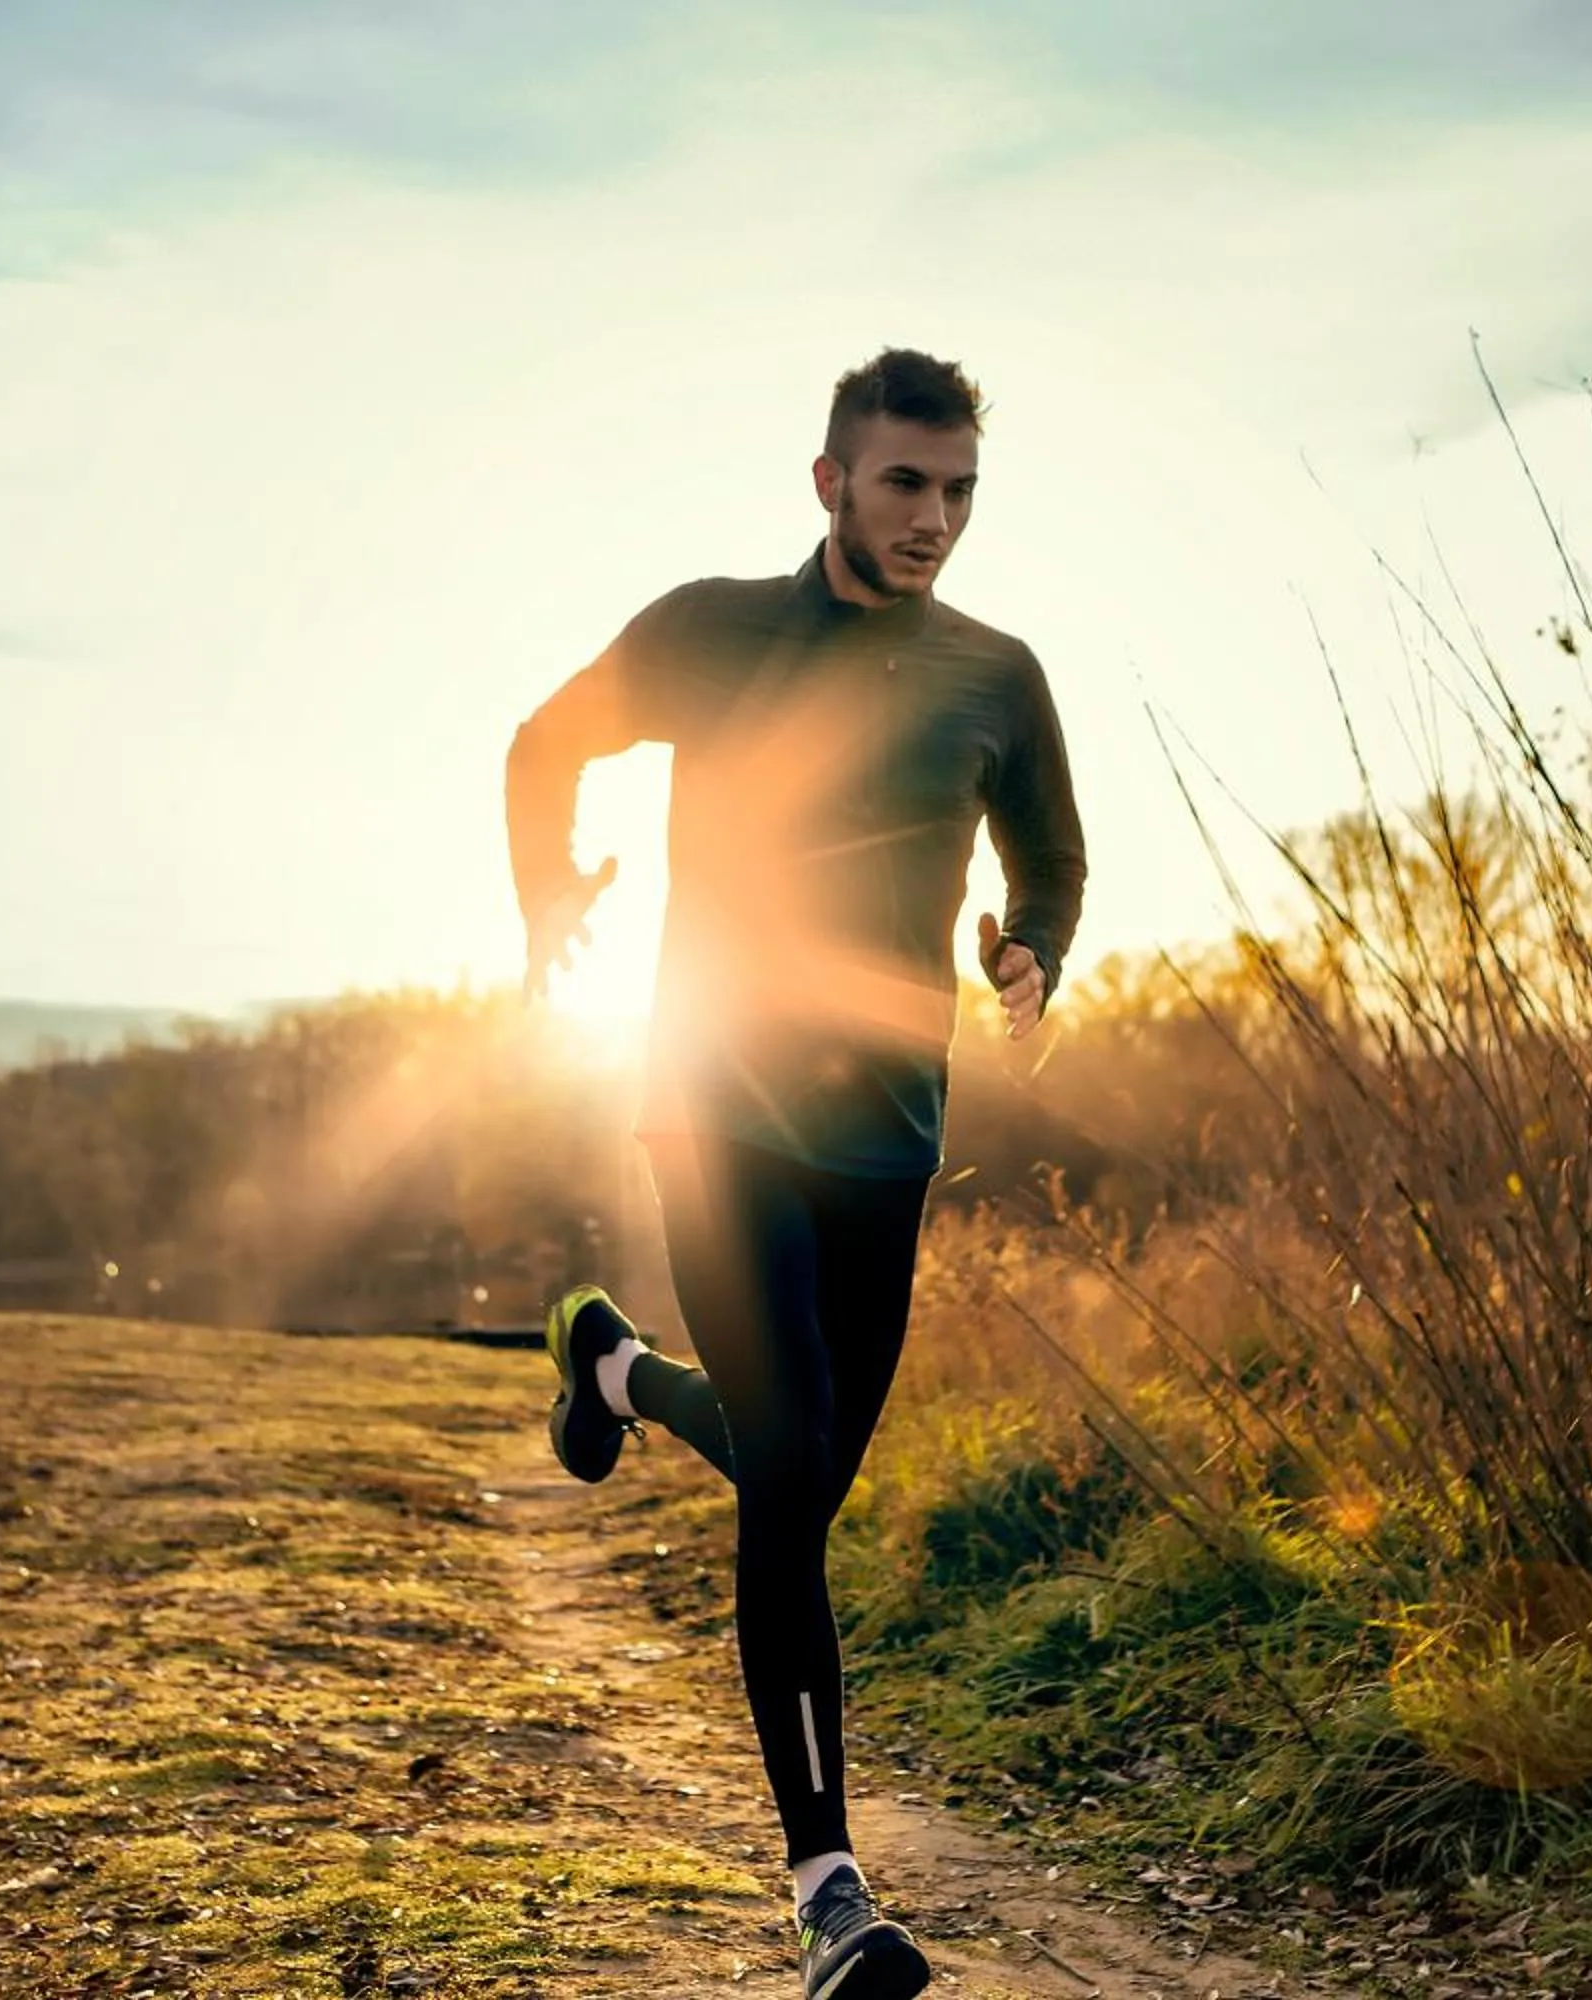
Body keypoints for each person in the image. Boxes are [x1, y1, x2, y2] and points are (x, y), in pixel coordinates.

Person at [504, 347, 1086, 2000]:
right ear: (830, 479)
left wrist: (1032, 949)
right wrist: (550, 891)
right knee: (797, 1473)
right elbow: (544, 742)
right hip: (715, 1100)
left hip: (890, 1128)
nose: (936, 519)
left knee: (801, 1460)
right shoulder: (712, 629)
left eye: (962, 489)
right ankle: (832, 1890)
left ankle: (608, 1366)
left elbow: (1053, 851)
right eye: (906, 482)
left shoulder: (996, 675)